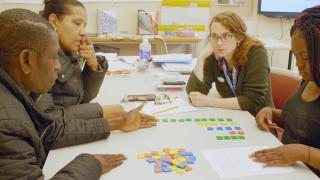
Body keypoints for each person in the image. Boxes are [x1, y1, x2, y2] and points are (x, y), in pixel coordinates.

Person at [0, 8, 155, 179]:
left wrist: (117, 122)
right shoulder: (8, 124)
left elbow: (48, 130)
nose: (57, 67)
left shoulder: (16, 90)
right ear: (26, 60)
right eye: (53, 58)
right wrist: (89, 163)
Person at [251, 6, 320, 177]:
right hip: (289, 170)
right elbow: (305, 123)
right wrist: (272, 113)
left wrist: (304, 153)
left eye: (305, 57)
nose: (298, 64)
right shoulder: (309, 79)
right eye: (296, 56)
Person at [36, 0, 131, 123]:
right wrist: (100, 112)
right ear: (54, 21)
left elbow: (83, 98)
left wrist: (93, 66)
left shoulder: (70, 53)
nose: (83, 32)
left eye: (84, 26)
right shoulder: (41, 60)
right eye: (77, 23)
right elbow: (47, 119)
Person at [186, 12, 273, 116]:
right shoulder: (214, 54)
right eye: (214, 36)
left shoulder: (256, 52)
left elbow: (252, 101)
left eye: (225, 36)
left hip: (258, 119)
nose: (219, 42)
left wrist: (209, 101)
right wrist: (201, 57)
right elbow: (195, 95)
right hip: (233, 115)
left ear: (239, 37)